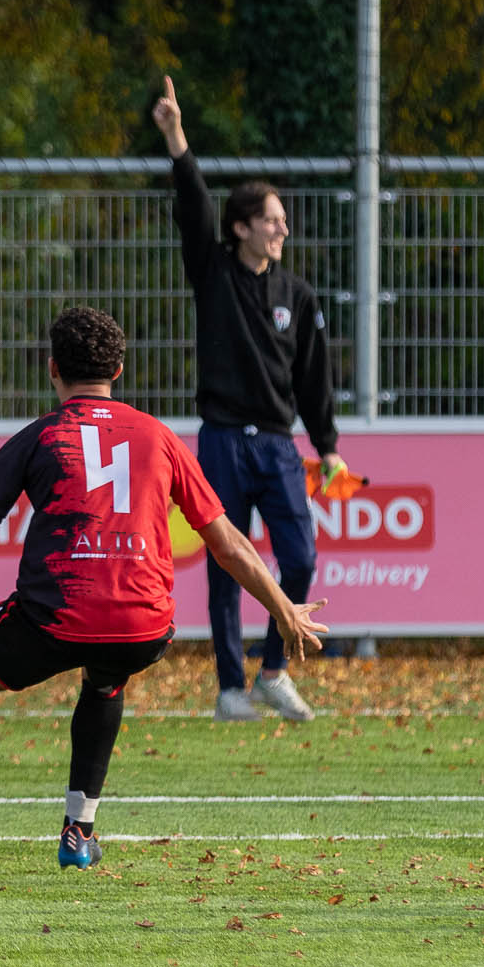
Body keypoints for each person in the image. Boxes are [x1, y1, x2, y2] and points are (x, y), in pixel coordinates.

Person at [0, 307, 328, 887]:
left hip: (55, 616)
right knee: (107, 675)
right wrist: (283, 608)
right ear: (121, 370)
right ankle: (79, 834)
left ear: (52, 369)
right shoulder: (159, 437)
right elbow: (228, 543)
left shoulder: (41, 436)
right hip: (144, 624)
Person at [152, 75, 342, 724]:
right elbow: (193, 207)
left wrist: (329, 446)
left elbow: (315, 379)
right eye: (270, 219)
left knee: (301, 557)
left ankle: (273, 670)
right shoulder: (214, 273)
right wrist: (178, 139)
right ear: (241, 227)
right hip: (223, 440)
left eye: (283, 220)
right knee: (229, 564)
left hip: (279, 445)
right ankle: (230, 687)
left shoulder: (299, 292)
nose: (281, 228)